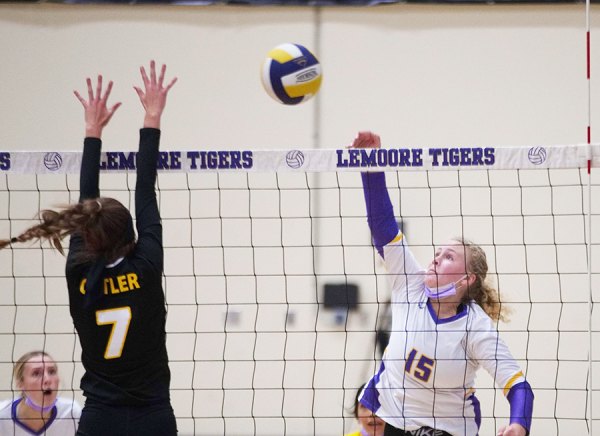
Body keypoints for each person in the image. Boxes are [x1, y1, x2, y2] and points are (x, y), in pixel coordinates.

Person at [0, 61, 178, 436]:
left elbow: (91, 199)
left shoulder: (80, 270)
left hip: (100, 418)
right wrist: (151, 117)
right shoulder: (145, 265)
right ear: (130, 235)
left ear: (88, 233)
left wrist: (92, 130)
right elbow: (145, 187)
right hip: (153, 415)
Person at [351, 132, 534, 436]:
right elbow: (382, 225)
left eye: (448, 257)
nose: (435, 258)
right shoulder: (409, 284)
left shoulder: (476, 327)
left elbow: (518, 386)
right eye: (437, 253)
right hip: (393, 422)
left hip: (448, 429)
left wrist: (519, 424)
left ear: (467, 279)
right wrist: (370, 163)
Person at [0, 350, 82, 435]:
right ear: (20, 384)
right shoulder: (2, 416)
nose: (47, 379)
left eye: (51, 372)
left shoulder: (71, 412)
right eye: (36, 373)